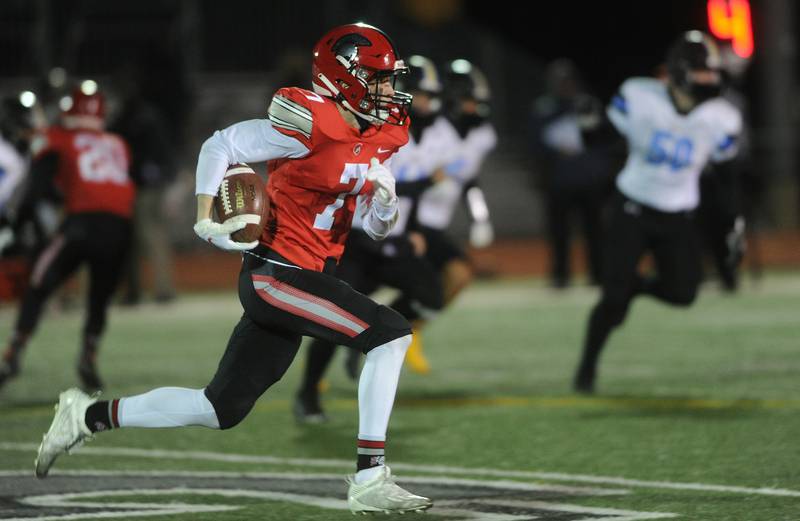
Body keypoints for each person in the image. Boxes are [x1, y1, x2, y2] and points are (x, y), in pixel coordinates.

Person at [33, 23, 433, 515]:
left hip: (308, 276)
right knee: (389, 334)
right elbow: (220, 145)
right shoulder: (312, 121)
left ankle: (86, 415)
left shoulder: (384, 135)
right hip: (276, 274)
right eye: (380, 79)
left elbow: (373, 229)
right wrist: (204, 215)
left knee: (218, 407)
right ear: (346, 78)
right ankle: (370, 478)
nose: (391, 91)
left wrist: (385, 203)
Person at [573, 31, 742, 393]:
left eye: (712, 72)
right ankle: (586, 369)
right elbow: (601, 140)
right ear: (681, 72)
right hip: (632, 205)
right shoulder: (640, 95)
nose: (710, 79)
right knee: (613, 300)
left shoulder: (721, 117)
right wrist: (589, 127)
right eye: (702, 72)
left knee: (684, 293)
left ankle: (637, 287)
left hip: (678, 213)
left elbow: (726, 177)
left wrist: (732, 221)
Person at [293, 54, 448, 423]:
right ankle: (308, 392)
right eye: (384, 84)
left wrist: (414, 229)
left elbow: (398, 191)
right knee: (331, 322)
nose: (393, 92)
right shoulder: (357, 124)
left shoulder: (418, 131)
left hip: (391, 240)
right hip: (358, 243)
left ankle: (366, 339)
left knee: (432, 295)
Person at [0, 81, 135, 392]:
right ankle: (89, 356)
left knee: (38, 284)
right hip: (120, 228)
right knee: (98, 298)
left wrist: (16, 224)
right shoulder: (118, 143)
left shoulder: (58, 138)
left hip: (82, 223)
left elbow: (37, 187)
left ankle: (12, 355)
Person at [529, 60, 615, 288]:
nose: (565, 86)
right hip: (560, 182)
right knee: (559, 233)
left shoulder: (589, 104)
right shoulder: (544, 108)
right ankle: (561, 275)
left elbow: (605, 141)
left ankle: (598, 273)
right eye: (561, 82)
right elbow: (535, 145)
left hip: (589, 181)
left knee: (595, 231)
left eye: (568, 81)